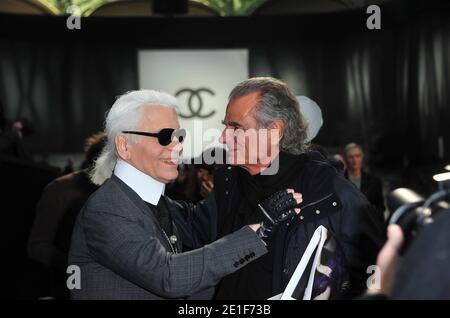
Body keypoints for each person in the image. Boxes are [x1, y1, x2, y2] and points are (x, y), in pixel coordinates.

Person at [68, 90, 302, 300]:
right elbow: (170, 277)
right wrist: (256, 232)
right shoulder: (108, 209)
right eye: (163, 136)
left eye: (179, 136)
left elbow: (204, 236)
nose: (177, 146)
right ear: (124, 145)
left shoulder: (157, 205)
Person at [211, 77, 385, 299]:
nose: (224, 137)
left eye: (236, 127)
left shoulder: (331, 192)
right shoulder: (228, 183)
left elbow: (375, 277)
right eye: (226, 126)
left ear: (274, 131)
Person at [27, 132, 106, 299]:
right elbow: (38, 246)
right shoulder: (61, 189)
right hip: (70, 288)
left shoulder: (122, 191)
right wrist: (77, 265)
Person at [343, 142, 386, 223]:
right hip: (346, 226)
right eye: (351, 157)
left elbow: (380, 208)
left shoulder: (374, 182)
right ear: (345, 159)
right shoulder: (339, 181)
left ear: (362, 157)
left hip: (369, 226)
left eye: (357, 156)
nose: (354, 160)